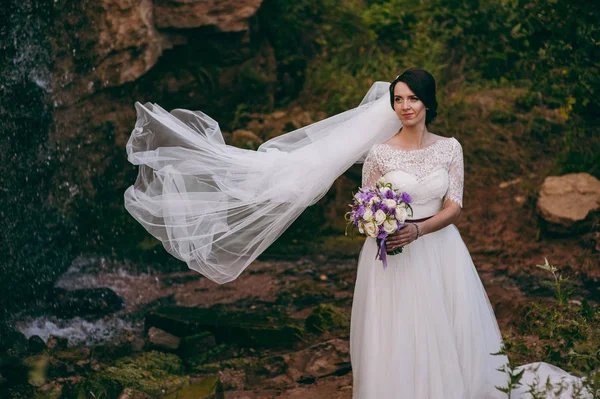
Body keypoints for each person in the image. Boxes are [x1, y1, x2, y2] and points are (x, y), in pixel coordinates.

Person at [124, 68, 590, 398]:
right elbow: (364, 208)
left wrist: (420, 229)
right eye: (398, 98)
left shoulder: (451, 148)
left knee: (448, 330)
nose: (405, 106)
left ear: (429, 102)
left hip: (442, 250)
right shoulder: (378, 154)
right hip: (390, 259)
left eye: (412, 98)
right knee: (397, 332)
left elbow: (456, 206)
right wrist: (378, 225)